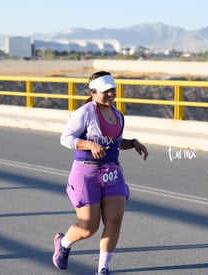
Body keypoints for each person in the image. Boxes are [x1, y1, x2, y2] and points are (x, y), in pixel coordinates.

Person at [53, 71, 148, 274]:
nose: (110, 95)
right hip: (86, 173)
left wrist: (133, 143)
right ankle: (64, 243)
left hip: (112, 172)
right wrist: (88, 144)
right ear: (94, 92)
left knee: (114, 219)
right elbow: (65, 138)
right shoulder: (85, 112)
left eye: (112, 90)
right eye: (105, 91)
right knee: (88, 227)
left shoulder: (118, 114)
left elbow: (115, 142)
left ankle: (103, 269)